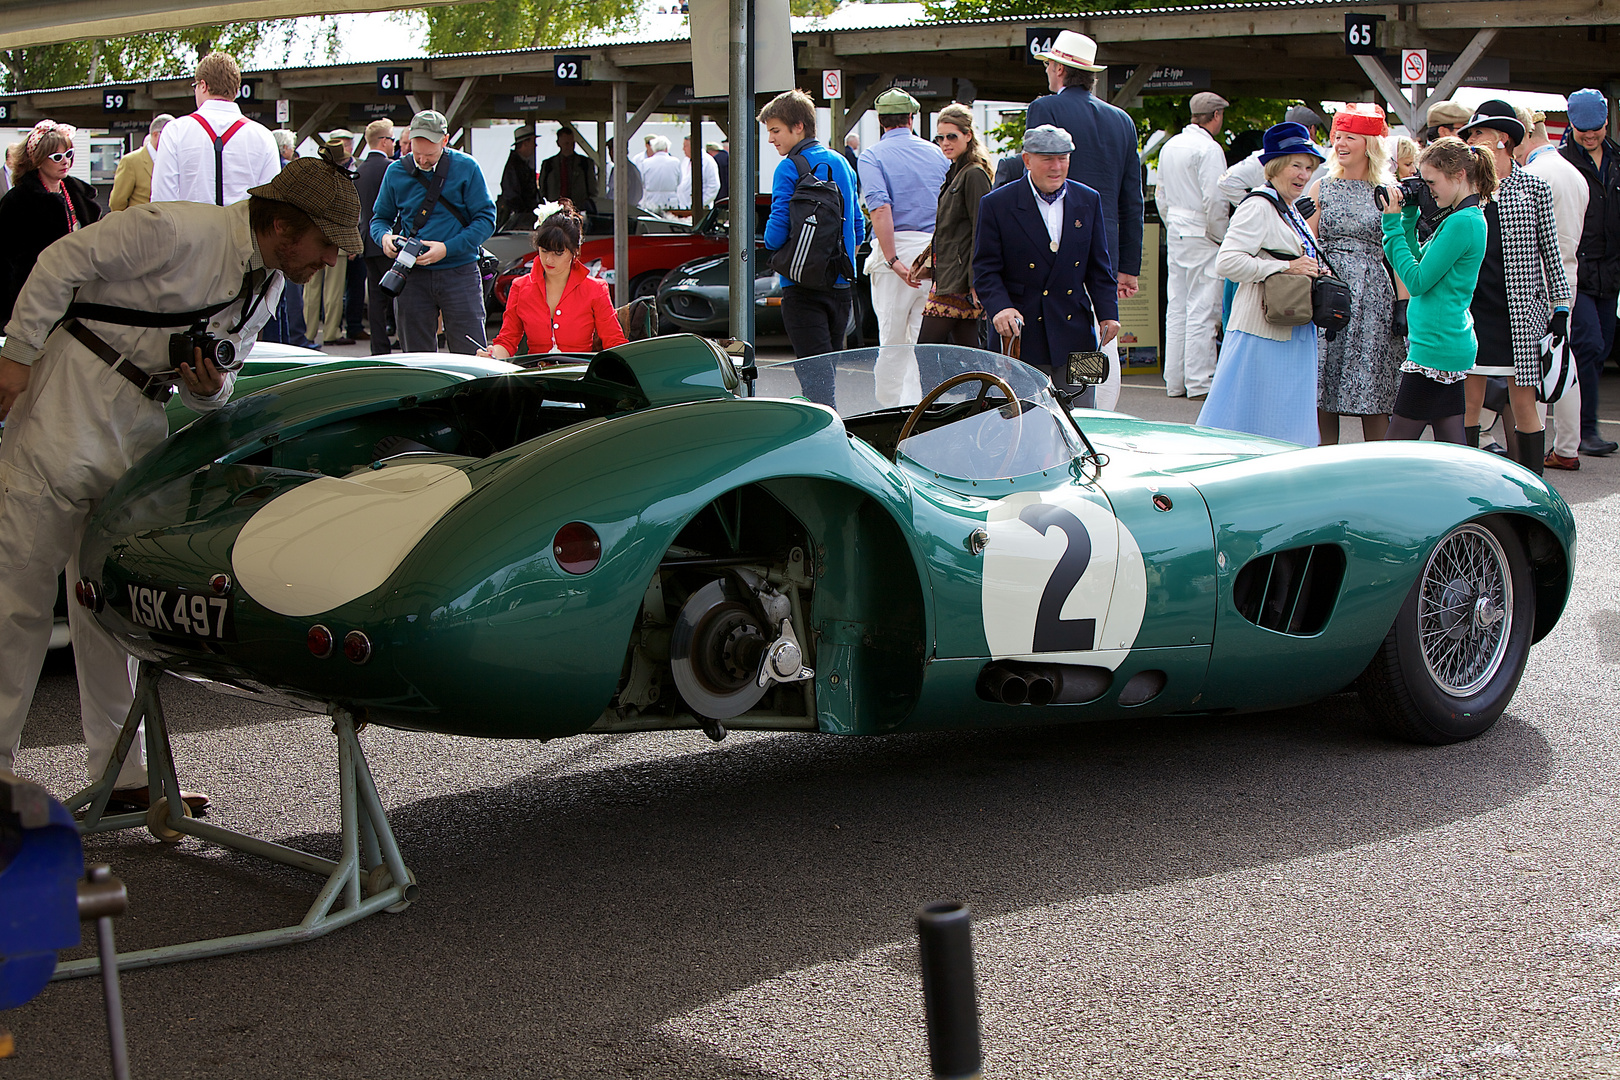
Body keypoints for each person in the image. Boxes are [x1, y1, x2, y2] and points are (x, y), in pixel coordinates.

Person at [0, 158, 360, 810]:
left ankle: (124, 778)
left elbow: (219, 387)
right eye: (326, 242)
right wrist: (18, 357)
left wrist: (209, 390)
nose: (332, 259)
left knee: (103, 602)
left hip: (137, 421)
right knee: (18, 602)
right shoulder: (177, 231)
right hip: (65, 400)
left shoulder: (268, 284)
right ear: (282, 225)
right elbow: (60, 263)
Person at [1026, 30, 1143, 410]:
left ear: (1058, 68)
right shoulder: (1122, 120)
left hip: (1056, 238)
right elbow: (1132, 199)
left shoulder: (1045, 109)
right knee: (1097, 331)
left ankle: (1059, 412)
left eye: (1048, 65)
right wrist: (1129, 265)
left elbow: (1033, 177)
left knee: (1062, 329)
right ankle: (1093, 414)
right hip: (1105, 245)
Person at [1456, 100, 1570, 475]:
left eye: (1479, 133)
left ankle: (1535, 491)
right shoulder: (1466, 186)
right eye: (1469, 134)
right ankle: (1467, 486)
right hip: (1473, 308)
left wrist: (1561, 308)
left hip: (1519, 313)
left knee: (1525, 405)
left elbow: (1550, 252)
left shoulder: (1533, 187)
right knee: (1469, 403)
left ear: (1502, 138)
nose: (1472, 141)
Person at [1197, 122, 1325, 445]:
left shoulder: (1289, 208)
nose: (1304, 174)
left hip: (1290, 329)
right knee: (1247, 424)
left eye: (1308, 167)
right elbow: (1226, 262)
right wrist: (1286, 267)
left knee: (1279, 424)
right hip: (1262, 332)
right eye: (1296, 165)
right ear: (1276, 166)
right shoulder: (1259, 205)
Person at [973, 124, 1119, 403]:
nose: (1057, 166)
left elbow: (1099, 266)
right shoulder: (997, 203)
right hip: (1022, 334)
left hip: (1077, 332)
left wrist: (1108, 312)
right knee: (1024, 422)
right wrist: (1000, 307)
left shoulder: (1089, 199)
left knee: (1084, 419)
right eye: (1047, 159)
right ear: (1027, 160)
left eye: (1063, 158)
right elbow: (985, 269)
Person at [1378, 137, 1492, 444]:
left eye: (1431, 182)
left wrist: (1390, 227)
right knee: (1451, 445)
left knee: (1394, 447)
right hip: (1444, 341)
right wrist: (1408, 217)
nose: (1428, 191)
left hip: (1436, 345)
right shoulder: (1464, 218)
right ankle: (1466, 492)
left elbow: (1416, 281)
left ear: (1459, 176)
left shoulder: (1462, 223)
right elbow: (1418, 260)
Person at [758, 88, 860, 405]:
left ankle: (824, 439)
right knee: (826, 373)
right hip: (840, 285)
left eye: (775, 130)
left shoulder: (788, 168)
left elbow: (776, 233)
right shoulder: (841, 163)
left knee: (815, 381)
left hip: (801, 287)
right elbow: (857, 223)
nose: (772, 139)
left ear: (798, 126)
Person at [1304, 102, 1397, 444]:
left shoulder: (1387, 192)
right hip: (1330, 293)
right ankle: (1323, 464)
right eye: (1337, 136)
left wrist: (1402, 303)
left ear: (1370, 145)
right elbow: (1307, 242)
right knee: (1323, 388)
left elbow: (1398, 248)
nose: (1340, 144)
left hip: (1373, 298)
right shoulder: (1322, 187)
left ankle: (1381, 471)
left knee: (1373, 389)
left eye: (1350, 137)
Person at [370, 110, 497, 354]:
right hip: (412, 274)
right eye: (416, 153)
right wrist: (385, 238)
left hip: (459, 272)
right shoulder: (396, 171)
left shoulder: (467, 167)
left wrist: (447, 249)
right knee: (417, 359)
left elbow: (486, 220)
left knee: (472, 353)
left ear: (445, 141)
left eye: (429, 154)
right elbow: (380, 219)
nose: (422, 160)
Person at [1516, 106, 1588, 470]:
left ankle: (1537, 445)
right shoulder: (1575, 174)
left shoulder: (1531, 176)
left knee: (1535, 368)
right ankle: (1567, 446)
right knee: (1561, 360)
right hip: (1568, 275)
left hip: (1537, 281)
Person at [859, 87, 949, 356]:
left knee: (892, 342)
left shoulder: (872, 156)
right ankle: (925, 397)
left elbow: (880, 209)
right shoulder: (938, 154)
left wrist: (892, 260)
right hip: (933, 254)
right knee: (925, 344)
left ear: (880, 120)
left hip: (895, 249)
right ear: (911, 118)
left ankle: (893, 400)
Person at [480, 202, 627, 361]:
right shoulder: (520, 287)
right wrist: (493, 354)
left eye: (558, 253)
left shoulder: (595, 289)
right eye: (544, 251)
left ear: (575, 252)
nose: (549, 259)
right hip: (536, 377)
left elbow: (614, 341)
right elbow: (508, 340)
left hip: (579, 376)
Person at [1155, 91, 1229, 399]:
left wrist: (1172, 223)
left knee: (1178, 306)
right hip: (1202, 232)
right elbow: (1216, 198)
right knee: (1203, 307)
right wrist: (1220, 235)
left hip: (1177, 229)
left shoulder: (1171, 145)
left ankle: (1175, 379)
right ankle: (1199, 381)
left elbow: (1160, 194)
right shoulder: (1209, 149)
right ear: (1215, 116)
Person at [1560, 87, 1620, 457]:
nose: (1590, 134)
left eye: (1596, 127)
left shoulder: (1617, 159)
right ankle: (1585, 429)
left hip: (1610, 272)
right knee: (1588, 344)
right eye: (1583, 129)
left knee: (1602, 349)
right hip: (1578, 269)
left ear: (1606, 121)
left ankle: (1585, 424)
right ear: (1571, 124)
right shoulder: (1565, 162)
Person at [0, 121, 102, 325]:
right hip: (35, 295)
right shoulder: (18, 201)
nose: (65, 162)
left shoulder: (76, 193)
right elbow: (6, 259)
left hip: (79, 291)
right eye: (57, 157)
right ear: (37, 160)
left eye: (69, 155)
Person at [149, 51, 278, 206]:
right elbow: (271, 202)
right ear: (236, 91)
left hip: (192, 228)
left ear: (203, 85)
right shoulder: (263, 136)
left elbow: (162, 198)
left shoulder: (175, 131)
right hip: (242, 228)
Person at [916, 102, 993, 349]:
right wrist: (925, 260)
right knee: (969, 352)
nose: (945, 143)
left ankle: (935, 390)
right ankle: (981, 387)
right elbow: (948, 230)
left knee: (926, 350)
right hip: (950, 276)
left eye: (952, 136)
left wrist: (975, 281)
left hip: (958, 282)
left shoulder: (973, 174)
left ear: (968, 136)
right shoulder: (957, 172)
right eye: (940, 138)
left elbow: (982, 230)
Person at [304, 130, 359, 347]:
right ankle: (331, 332)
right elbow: (350, 214)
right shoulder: (345, 181)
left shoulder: (311, 179)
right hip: (338, 242)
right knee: (334, 292)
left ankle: (307, 333)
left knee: (311, 290)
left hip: (313, 240)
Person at [354, 119, 398, 355]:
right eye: (391, 139)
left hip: (367, 240)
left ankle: (379, 347)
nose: (393, 144)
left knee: (376, 297)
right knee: (401, 293)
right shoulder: (392, 168)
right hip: (391, 240)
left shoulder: (358, 171)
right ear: (383, 141)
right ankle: (404, 340)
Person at [108, 113, 174, 211]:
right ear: (156, 135)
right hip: (139, 223)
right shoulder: (131, 161)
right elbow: (117, 202)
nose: (174, 140)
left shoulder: (174, 159)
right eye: (170, 136)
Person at [539, 124, 597, 214]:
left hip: (578, 210)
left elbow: (592, 189)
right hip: (555, 210)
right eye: (566, 143)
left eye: (572, 143)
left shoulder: (585, 163)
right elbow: (543, 190)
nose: (569, 147)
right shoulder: (548, 164)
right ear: (558, 143)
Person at [501, 125, 540, 229]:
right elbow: (511, 195)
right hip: (519, 222)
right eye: (532, 141)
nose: (535, 145)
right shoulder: (514, 166)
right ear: (525, 143)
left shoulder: (520, 164)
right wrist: (524, 214)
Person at [675, 135, 719, 215]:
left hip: (701, 209)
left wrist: (701, 203)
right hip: (684, 208)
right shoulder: (685, 161)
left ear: (692, 146)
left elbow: (714, 186)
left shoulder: (708, 162)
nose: (683, 149)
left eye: (685, 146)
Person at [638, 135, 683, 211]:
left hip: (652, 201)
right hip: (671, 201)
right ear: (667, 148)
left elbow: (642, 182)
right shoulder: (676, 162)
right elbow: (679, 181)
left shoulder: (646, 163)